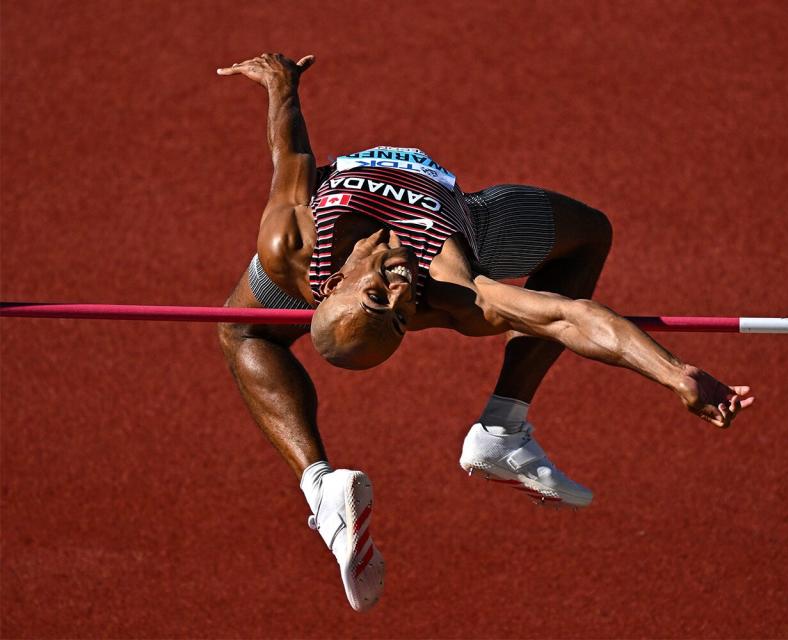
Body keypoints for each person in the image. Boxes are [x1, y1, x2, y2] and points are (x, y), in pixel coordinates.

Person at [215, 53, 755, 612]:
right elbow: (569, 316)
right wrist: (675, 375)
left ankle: (481, 436)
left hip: (361, 242)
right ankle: (341, 482)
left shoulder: (293, 238)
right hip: (474, 224)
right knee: (589, 233)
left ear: (335, 288)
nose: (401, 292)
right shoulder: (450, 290)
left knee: (240, 327)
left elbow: (292, 154)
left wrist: (281, 81)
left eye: (383, 301)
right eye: (398, 314)